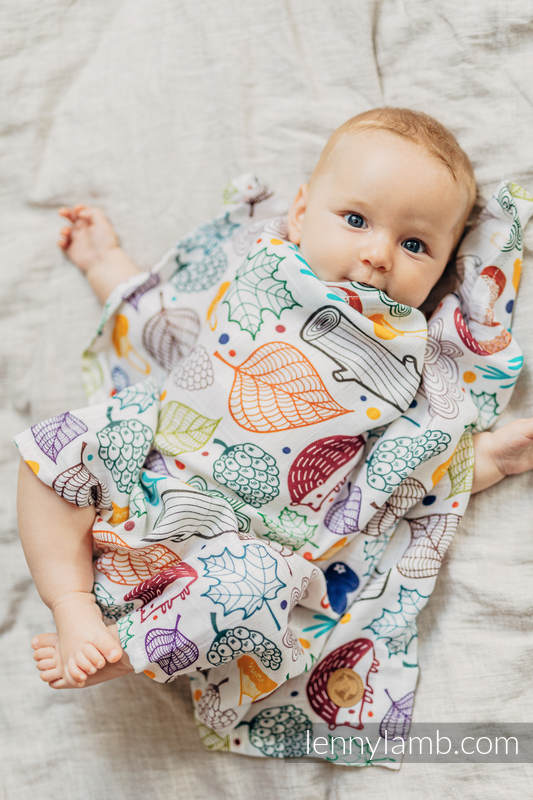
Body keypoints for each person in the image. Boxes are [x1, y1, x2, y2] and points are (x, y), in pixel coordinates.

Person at [15, 107, 533, 704]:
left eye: (415, 243)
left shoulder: (411, 354)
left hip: (243, 544)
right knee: (65, 441)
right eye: (357, 219)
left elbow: (408, 468)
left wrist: (490, 457)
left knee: (264, 583)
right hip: (146, 478)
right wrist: (103, 262)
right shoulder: (259, 269)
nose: (378, 254)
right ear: (302, 211)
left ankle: (122, 648)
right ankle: (72, 601)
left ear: (444, 270)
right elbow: (168, 319)